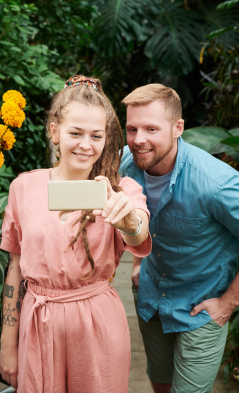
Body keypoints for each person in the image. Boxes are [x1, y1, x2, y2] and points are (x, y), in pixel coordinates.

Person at [0, 75, 152, 392]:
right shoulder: (23, 187)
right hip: (37, 323)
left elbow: (139, 232)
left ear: (106, 137)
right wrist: (8, 344)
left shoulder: (122, 191)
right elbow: (15, 267)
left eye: (96, 135)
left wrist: (128, 222)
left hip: (97, 325)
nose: (86, 144)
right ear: (54, 131)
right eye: (75, 133)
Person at [121, 84, 239, 393]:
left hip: (201, 307)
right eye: (132, 129)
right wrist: (137, 262)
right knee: (159, 381)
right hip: (151, 297)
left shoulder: (216, 183)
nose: (139, 139)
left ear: (178, 128)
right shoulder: (125, 164)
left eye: (151, 128)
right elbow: (140, 214)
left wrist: (228, 303)